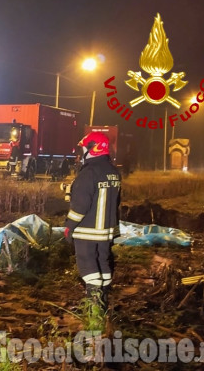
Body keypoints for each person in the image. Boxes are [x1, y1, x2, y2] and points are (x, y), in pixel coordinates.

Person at [64, 131, 121, 311]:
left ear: (93, 149)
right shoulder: (113, 172)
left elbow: (81, 205)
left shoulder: (88, 173)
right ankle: (103, 303)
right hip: (105, 232)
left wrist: (69, 227)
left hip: (87, 231)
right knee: (103, 265)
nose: (82, 154)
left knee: (88, 266)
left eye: (84, 149)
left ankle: (94, 311)